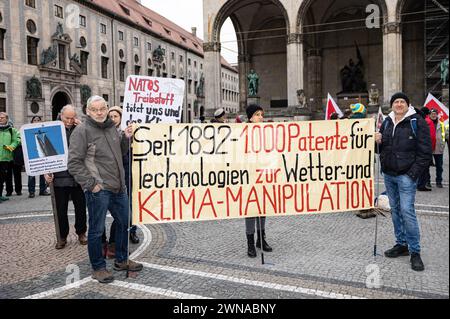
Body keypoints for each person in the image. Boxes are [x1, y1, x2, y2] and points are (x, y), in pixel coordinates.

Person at [68, 96, 143, 284]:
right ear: (88, 111)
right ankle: (98, 267)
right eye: (95, 109)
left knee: (124, 222)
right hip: (99, 189)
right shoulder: (81, 131)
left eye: (102, 108)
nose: (100, 112)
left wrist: (126, 137)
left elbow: (121, 151)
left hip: (119, 187)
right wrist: (92, 184)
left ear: (107, 108)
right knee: (96, 230)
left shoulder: (111, 127)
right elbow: (74, 163)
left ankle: (121, 259)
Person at [375, 92, 432, 271]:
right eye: (396, 102)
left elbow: (425, 152)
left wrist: (412, 174)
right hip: (389, 174)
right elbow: (381, 150)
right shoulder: (386, 122)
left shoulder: (417, 121)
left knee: (407, 211)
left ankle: (415, 251)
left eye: (402, 101)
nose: (399, 104)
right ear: (392, 105)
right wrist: (377, 142)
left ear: (407, 104)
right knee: (396, 210)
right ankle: (401, 244)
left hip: (406, 175)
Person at [44, 105, 87, 249]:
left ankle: (81, 232)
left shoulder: (81, 128)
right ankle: (62, 236)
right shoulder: (51, 129)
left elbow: (91, 144)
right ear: (60, 115)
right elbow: (45, 153)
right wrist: (45, 172)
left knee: (81, 208)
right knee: (60, 209)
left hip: (78, 177)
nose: (69, 121)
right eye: (67, 118)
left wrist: (82, 127)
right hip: (59, 177)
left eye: (72, 118)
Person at [101, 106, 140, 259]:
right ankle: (108, 245)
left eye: (115, 116)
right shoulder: (106, 133)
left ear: (121, 118)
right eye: (110, 116)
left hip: (128, 175)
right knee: (115, 214)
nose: (112, 118)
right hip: (111, 178)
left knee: (127, 212)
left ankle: (119, 241)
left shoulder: (128, 133)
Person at [244, 104, 272, 258]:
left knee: (262, 208)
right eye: (257, 114)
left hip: (263, 175)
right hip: (249, 176)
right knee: (250, 210)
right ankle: (250, 242)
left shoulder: (266, 133)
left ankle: (261, 239)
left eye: (262, 114)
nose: (261, 117)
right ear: (250, 118)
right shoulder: (243, 133)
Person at [27, 116, 50, 198]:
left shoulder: (43, 130)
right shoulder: (28, 130)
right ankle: (31, 191)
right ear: (32, 121)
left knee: (43, 173)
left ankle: (43, 190)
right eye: (35, 120)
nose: (36, 121)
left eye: (38, 120)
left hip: (42, 152)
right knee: (32, 173)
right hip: (32, 153)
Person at [0, 112, 20, 203]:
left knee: (2, 178)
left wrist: (12, 146)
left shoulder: (12, 130)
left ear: (6, 119)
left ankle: (0, 195)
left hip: (6, 158)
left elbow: (16, 140)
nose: (0, 119)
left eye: (2, 117)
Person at [416, 107, 435, 191]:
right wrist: (432, 149)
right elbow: (432, 137)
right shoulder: (428, 121)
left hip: (417, 148)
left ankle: (419, 184)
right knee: (425, 168)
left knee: (420, 167)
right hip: (425, 148)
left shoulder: (416, 120)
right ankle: (422, 185)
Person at [429, 109, 448, 188]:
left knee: (439, 167)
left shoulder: (442, 124)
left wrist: (443, 145)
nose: (433, 115)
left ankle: (439, 181)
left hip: (438, 149)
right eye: (432, 114)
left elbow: (446, 135)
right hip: (429, 149)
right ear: (429, 115)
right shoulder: (427, 123)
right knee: (426, 167)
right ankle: (427, 181)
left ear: (437, 115)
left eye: (435, 114)